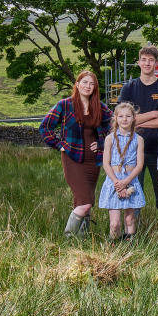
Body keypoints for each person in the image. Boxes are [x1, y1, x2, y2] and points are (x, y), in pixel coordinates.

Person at [40, 70, 112, 236]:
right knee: (85, 202)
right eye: (84, 82)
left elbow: (115, 126)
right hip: (73, 158)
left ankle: (82, 239)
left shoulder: (99, 107)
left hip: (93, 161)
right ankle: (68, 237)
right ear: (77, 85)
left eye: (91, 83)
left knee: (84, 201)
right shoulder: (64, 105)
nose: (88, 86)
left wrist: (102, 144)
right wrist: (59, 145)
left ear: (95, 87)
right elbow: (45, 127)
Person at [117, 46, 158, 215]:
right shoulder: (129, 88)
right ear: (138, 62)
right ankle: (133, 237)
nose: (147, 63)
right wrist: (151, 114)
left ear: (157, 63)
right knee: (132, 196)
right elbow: (122, 119)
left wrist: (137, 123)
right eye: (144, 59)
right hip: (132, 151)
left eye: (151, 60)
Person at [98, 102, 146, 242]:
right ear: (116, 118)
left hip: (130, 181)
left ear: (133, 118)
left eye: (128, 116)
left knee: (130, 219)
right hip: (114, 182)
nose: (124, 119)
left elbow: (140, 164)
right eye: (121, 116)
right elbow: (106, 164)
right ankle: (114, 248)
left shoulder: (139, 139)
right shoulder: (110, 139)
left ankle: (129, 248)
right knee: (115, 224)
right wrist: (117, 182)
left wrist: (126, 181)